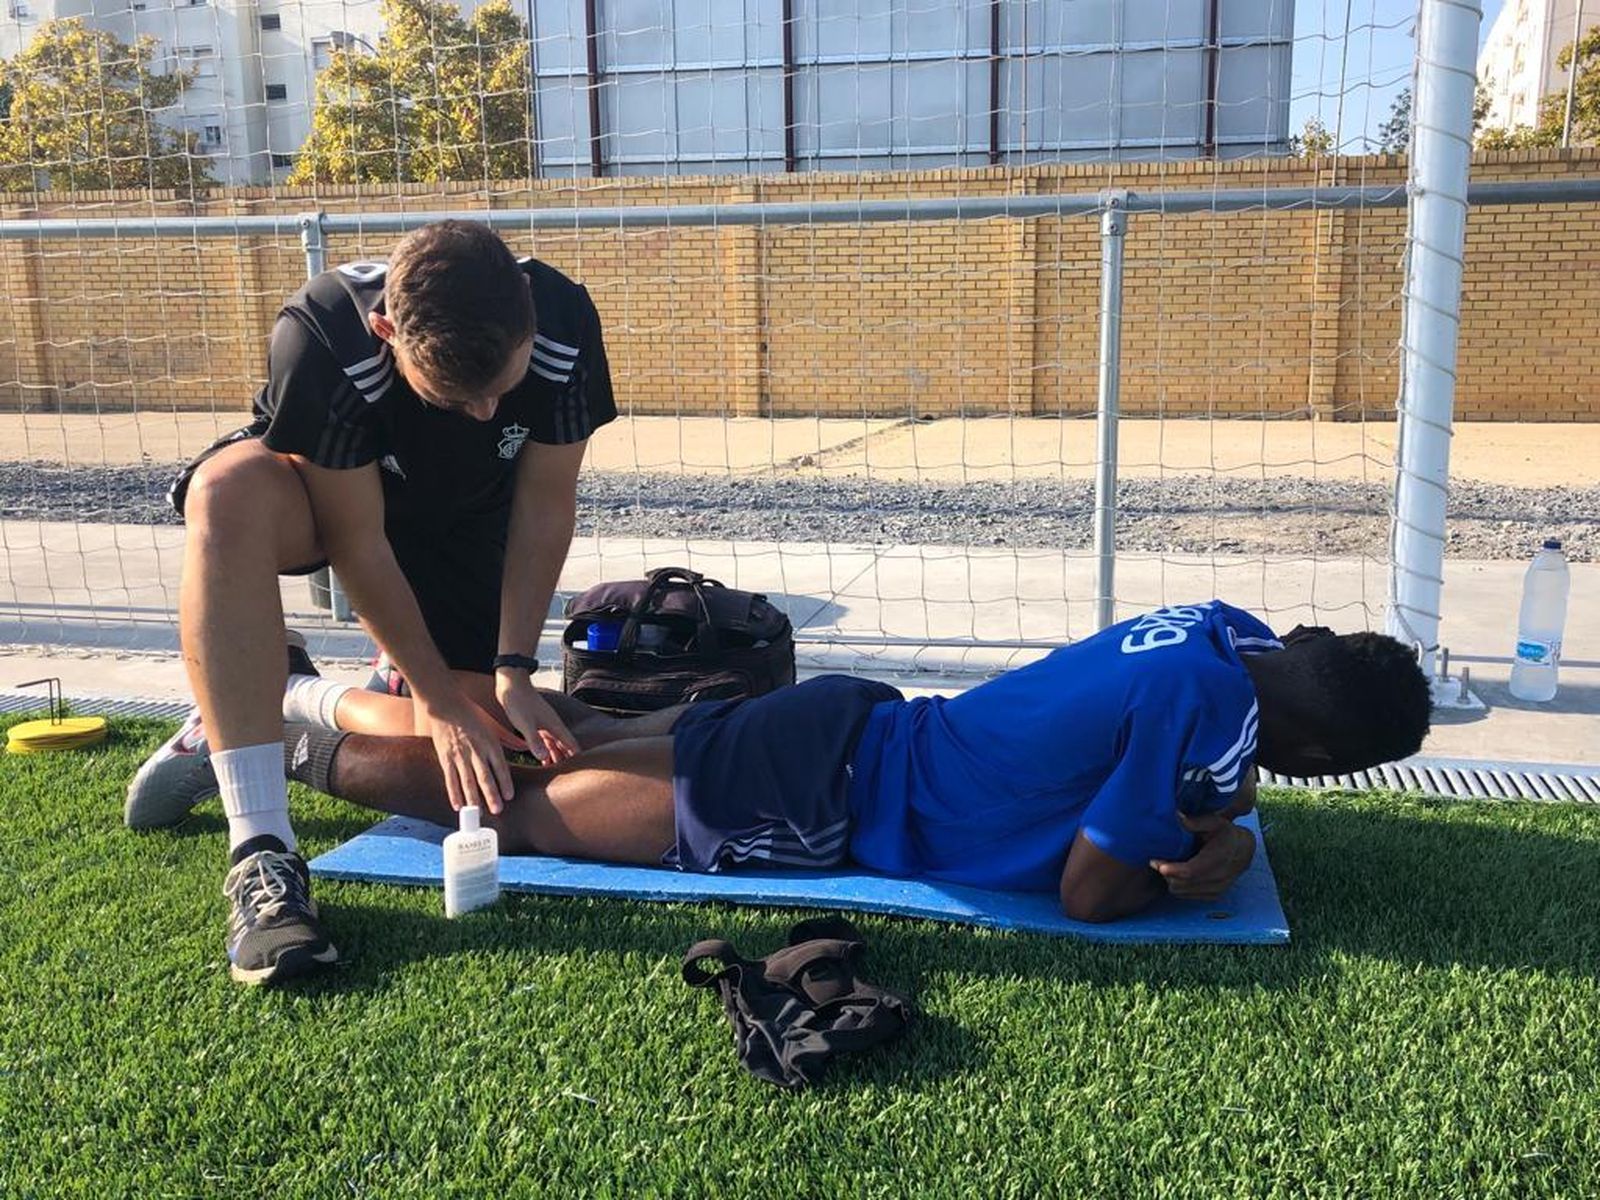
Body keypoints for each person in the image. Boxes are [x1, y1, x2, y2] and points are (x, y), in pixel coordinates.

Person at [133, 602, 1432, 980]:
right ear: (1308, 750)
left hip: (853, 724)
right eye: (1289, 763)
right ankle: (272, 734)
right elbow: (1095, 897)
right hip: (829, 794)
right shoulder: (1218, 711)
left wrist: (1225, 820)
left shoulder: (1226, 632)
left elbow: (1211, 774)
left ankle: (292, 690)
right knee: (518, 807)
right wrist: (1194, 861)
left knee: (562, 740)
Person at [126, 220, 617, 984]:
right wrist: (439, 696)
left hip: (465, 517)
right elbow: (360, 543)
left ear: (525, 307)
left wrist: (513, 670)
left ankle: (282, 698)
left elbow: (546, 503)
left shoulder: (561, 316)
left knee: (467, 749)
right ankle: (261, 852)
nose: (486, 413)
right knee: (225, 493)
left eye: (501, 388)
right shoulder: (321, 333)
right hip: (336, 505)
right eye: (456, 395)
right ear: (388, 330)